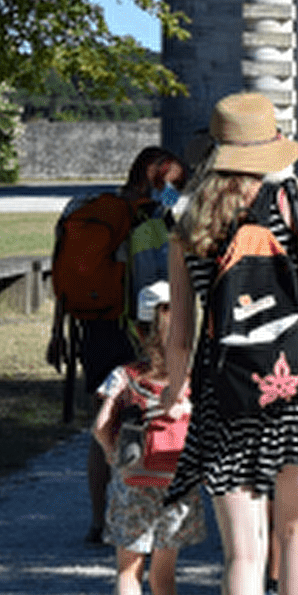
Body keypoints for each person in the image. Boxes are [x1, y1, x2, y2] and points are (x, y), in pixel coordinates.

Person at [157, 92, 298, 595]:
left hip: (227, 393)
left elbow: (182, 332)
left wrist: (173, 390)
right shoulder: (293, 200)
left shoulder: (188, 221)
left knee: (242, 550)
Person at [47, 145, 187, 547]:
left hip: (93, 328)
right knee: (152, 417)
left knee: (103, 423)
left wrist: (57, 333)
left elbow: (65, 274)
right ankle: (147, 513)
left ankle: (98, 520)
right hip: (141, 332)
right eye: (174, 184)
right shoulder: (152, 220)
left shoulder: (95, 209)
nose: (177, 192)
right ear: (155, 178)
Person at [92, 281, 206, 595]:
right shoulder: (193, 379)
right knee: (165, 579)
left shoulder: (125, 376)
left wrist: (112, 456)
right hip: (177, 484)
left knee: (129, 569)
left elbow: (100, 425)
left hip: (133, 479)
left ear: (137, 329)